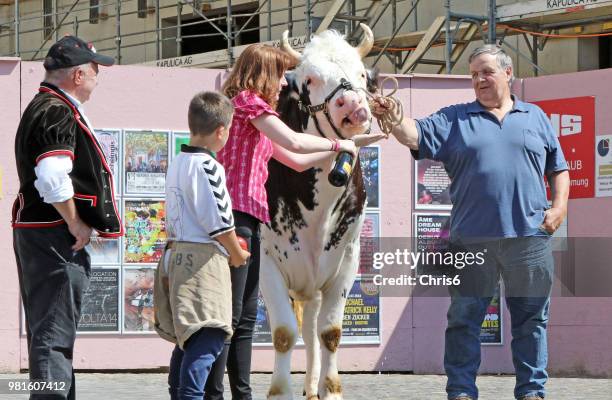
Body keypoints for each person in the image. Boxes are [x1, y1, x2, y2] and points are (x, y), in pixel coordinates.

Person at [374, 45, 570, 400]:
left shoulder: (536, 117)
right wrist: (390, 115)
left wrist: (558, 209)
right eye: (474, 74)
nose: (479, 79)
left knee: (532, 322)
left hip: (529, 240)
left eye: (487, 72)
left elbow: (559, 167)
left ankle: (532, 392)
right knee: (464, 321)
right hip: (471, 242)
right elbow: (412, 134)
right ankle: (462, 391)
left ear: (508, 74)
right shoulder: (454, 118)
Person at [205, 43, 385, 400]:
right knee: (230, 314)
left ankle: (240, 393)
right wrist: (338, 147)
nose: (284, 87)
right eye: (281, 78)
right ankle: (211, 392)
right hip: (235, 216)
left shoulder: (254, 119)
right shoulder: (247, 103)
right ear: (263, 74)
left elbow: (296, 161)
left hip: (250, 217)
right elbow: (293, 141)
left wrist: (349, 146)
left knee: (241, 316)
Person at [12, 35, 121, 399]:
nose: (96, 77)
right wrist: (75, 221)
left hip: (43, 234)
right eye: (94, 70)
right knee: (53, 339)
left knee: (52, 336)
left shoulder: (47, 106)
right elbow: (52, 177)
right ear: (77, 75)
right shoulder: (55, 110)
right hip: (53, 236)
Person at [154, 91, 250, 400]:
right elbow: (220, 220)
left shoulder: (178, 161)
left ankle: (181, 394)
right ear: (221, 131)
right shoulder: (209, 167)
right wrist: (237, 254)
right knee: (208, 335)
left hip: (175, 252)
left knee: (188, 338)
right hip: (201, 259)